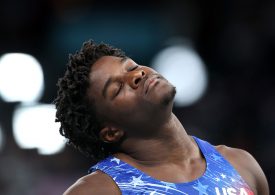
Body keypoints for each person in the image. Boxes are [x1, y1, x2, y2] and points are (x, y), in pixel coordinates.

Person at [54, 40, 269, 195]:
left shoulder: (240, 164)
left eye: (132, 67)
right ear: (111, 131)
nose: (137, 75)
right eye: (118, 88)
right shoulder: (98, 191)